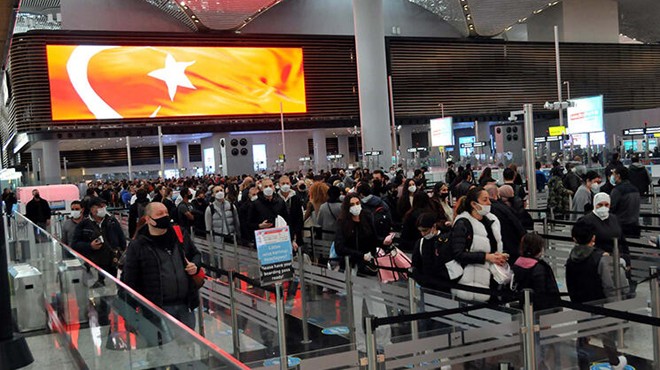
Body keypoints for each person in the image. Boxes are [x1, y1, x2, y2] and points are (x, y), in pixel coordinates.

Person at [121, 202, 202, 330]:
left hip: (185, 305)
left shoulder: (179, 234)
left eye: (166, 213)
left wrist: (195, 265)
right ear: (148, 219)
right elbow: (130, 280)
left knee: (187, 345)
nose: (165, 216)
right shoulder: (138, 246)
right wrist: (129, 313)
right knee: (163, 347)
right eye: (159, 214)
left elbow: (196, 254)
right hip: (158, 308)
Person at [333, 193, 393, 352]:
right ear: (347, 207)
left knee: (378, 304)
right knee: (357, 307)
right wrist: (360, 255)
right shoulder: (342, 223)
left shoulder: (367, 217)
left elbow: (374, 239)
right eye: (352, 204)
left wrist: (384, 242)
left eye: (357, 202)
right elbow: (340, 247)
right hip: (354, 268)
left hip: (369, 268)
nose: (355, 206)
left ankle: (384, 339)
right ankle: (360, 343)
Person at [566, 219, 628, 370]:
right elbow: (607, 284)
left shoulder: (570, 259)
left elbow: (570, 284)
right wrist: (613, 305)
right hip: (599, 304)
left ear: (574, 238)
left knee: (582, 335)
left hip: (581, 304)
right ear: (593, 238)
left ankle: (583, 365)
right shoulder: (599, 258)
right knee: (605, 334)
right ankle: (615, 361)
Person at [451, 187, 508, 302]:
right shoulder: (462, 224)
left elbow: (494, 246)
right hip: (470, 283)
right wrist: (486, 257)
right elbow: (458, 254)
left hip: (492, 279)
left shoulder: (491, 221)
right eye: (485, 200)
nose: (489, 203)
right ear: (474, 204)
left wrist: (499, 256)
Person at [72, 197, 126, 287]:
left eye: (104, 206)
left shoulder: (112, 221)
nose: (103, 208)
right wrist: (90, 246)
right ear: (92, 209)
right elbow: (75, 244)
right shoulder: (84, 225)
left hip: (112, 262)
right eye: (100, 206)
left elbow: (121, 238)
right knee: (97, 290)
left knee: (113, 288)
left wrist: (122, 253)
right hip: (94, 264)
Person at [511, 233, 560, 311]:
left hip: (521, 309)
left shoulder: (516, 265)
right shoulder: (542, 267)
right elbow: (551, 291)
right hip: (542, 312)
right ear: (539, 248)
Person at [411, 212, 457, 293]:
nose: (423, 234)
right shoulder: (420, 243)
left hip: (446, 287)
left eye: (425, 230)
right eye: (420, 231)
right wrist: (422, 281)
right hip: (427, 287)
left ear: (434, 226)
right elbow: (415, 265)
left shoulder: (447, 239)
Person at [484, 185, 526, 264]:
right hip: (511, 245)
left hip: (495, 249)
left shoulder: (486, 210)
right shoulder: (503, 208)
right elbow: (517, 225)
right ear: (495, 195)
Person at [610, 166, 641, 238]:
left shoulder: (617, 190)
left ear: (618, 176)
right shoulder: (635, 189)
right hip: (635, 225)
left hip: (622, 227)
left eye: (614, 174)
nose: (613, 176)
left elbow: (612, 208)